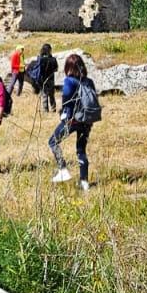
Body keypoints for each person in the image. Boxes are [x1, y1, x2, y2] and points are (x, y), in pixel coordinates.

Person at [48, 53, 96, 190]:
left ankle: (62, 169)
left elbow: (67, 101)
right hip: (86, 121)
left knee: (53, 141)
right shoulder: (89, 81)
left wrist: (65, 117)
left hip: (72, 120)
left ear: (68, 67)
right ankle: (84, 182)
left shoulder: (69, 81)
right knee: (81, 150)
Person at [35, 43, 59, 112]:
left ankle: (45, 110)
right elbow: (56, 69)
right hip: (50, 79)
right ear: (49, 50)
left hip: (42, 80)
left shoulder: (40, 59)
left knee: (44, 95)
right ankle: (53, 109)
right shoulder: (53, 59)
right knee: (51, 95)